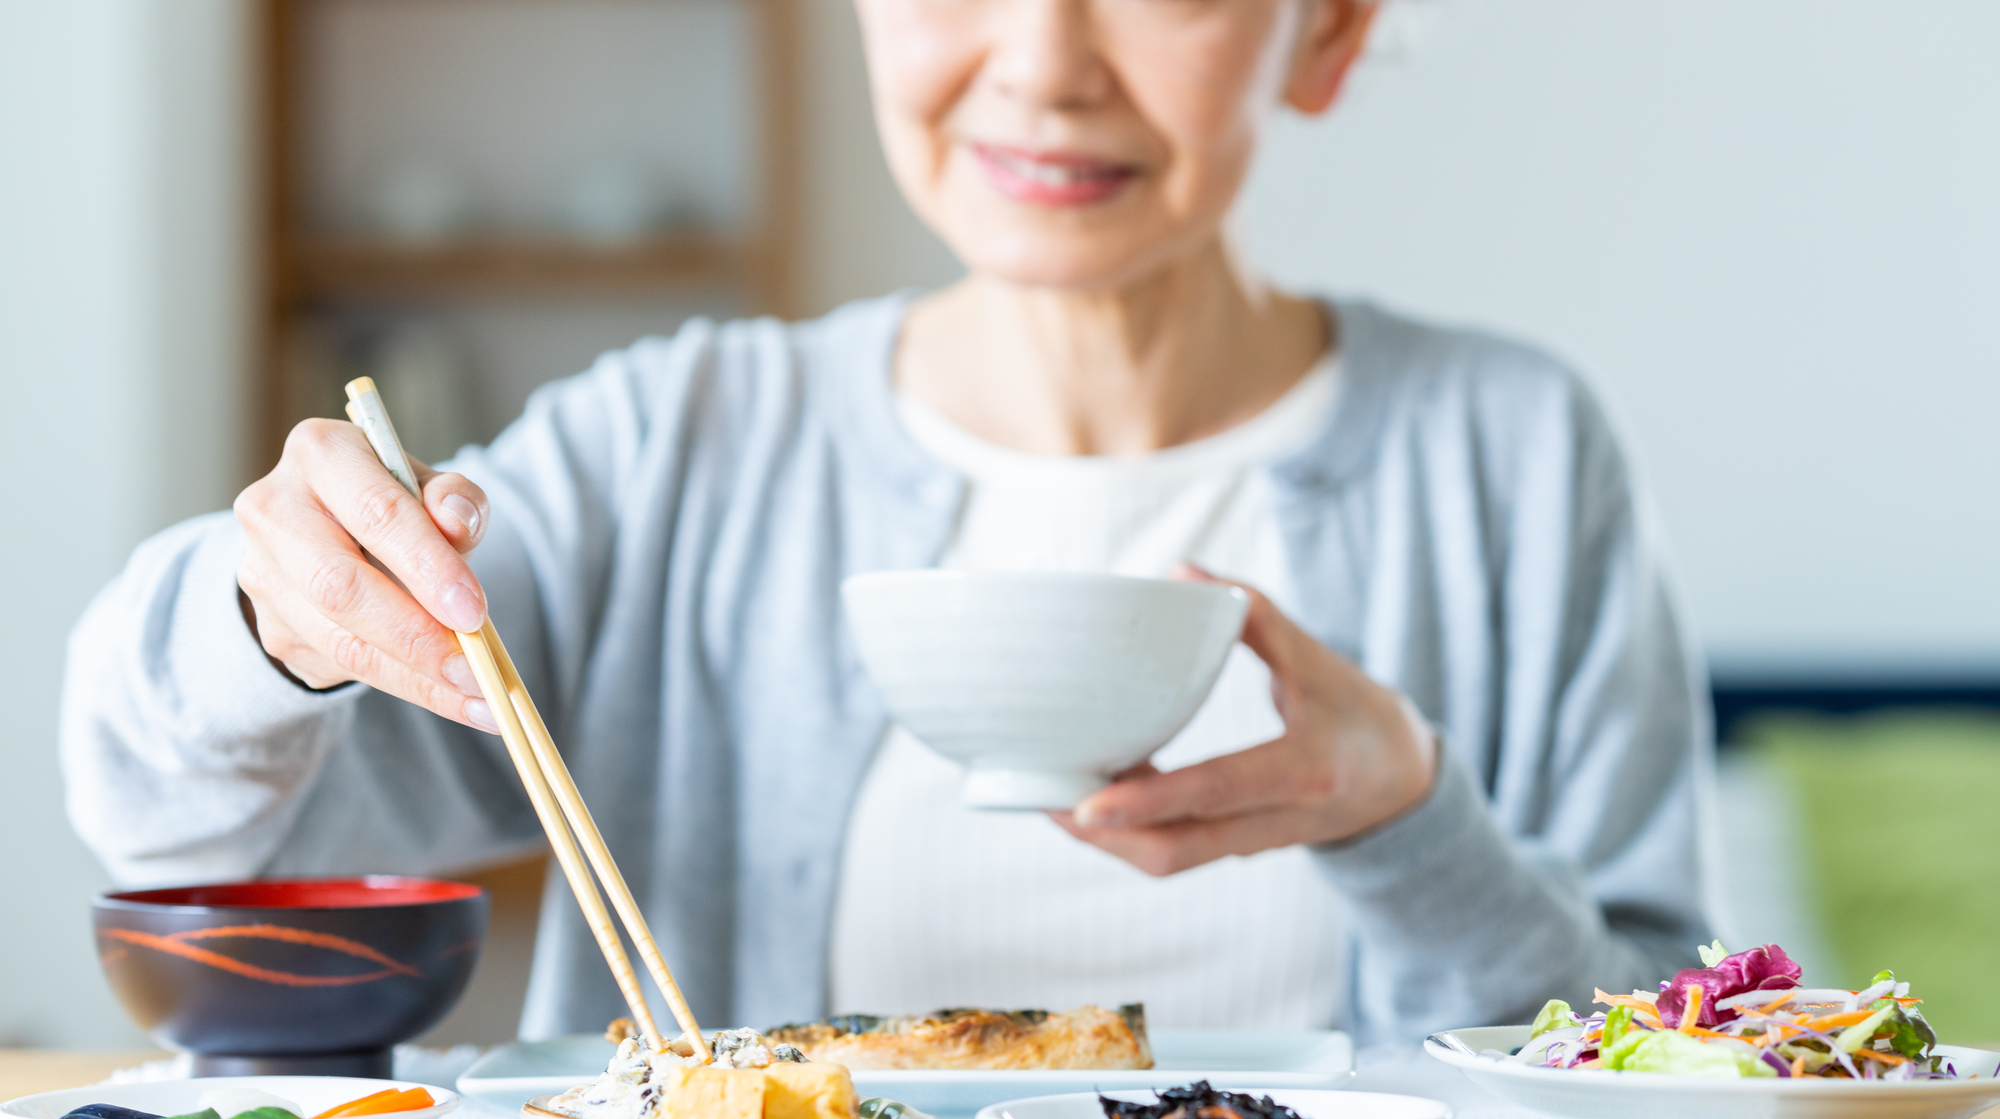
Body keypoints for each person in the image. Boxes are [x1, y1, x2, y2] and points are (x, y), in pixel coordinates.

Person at [62, 0, 1713, 1043]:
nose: (1045, 60)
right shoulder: (682, 447)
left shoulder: (1508, 455)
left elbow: (1666, 1077)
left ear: (1330, 32)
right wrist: (267, 615)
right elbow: (184, 826)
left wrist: (1408, 817)